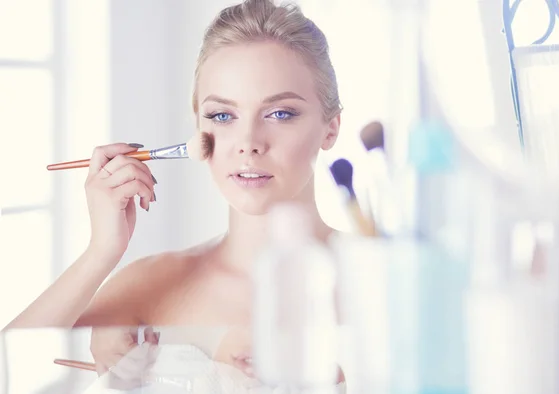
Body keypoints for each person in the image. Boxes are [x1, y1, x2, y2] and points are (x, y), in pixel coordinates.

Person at [3, 0, 344, 388]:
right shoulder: (148, 287)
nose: (248, 143)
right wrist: (101, 252)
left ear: (330, 128)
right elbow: (8, 373)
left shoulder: (385, 277)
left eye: (280, 113)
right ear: (198, 125)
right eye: (222, 116)